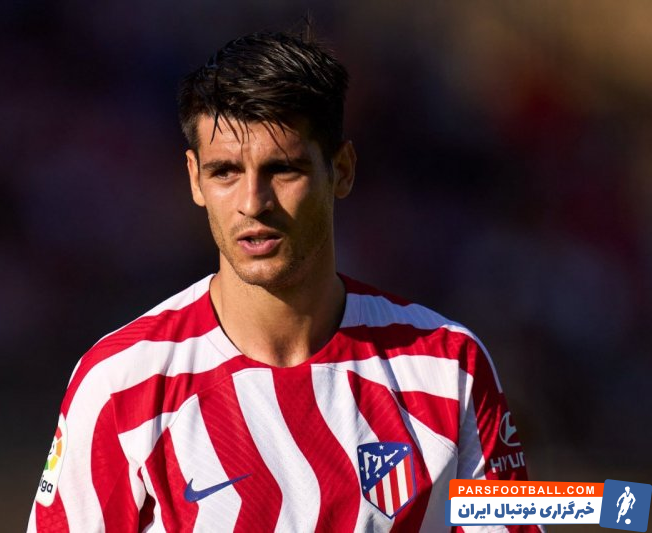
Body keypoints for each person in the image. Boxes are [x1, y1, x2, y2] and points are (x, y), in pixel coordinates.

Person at [28, 29, 541, 532]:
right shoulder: (120, 383)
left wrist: (591, 503)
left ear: (342, 170)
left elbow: (534, 516)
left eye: (283, 170)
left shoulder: (449, 366)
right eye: (225, 172)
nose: (253, 203)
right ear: (194, 179)